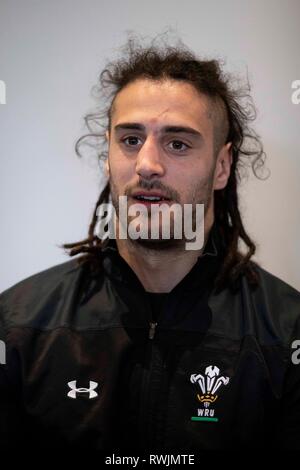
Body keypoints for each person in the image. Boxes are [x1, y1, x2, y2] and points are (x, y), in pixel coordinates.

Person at [0, 38, 300, 453]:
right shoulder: (18, 326)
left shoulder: (286, 333)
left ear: (222, 166)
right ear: (108, 153)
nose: (147, 164)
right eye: (130, 140)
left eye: (178, 143)